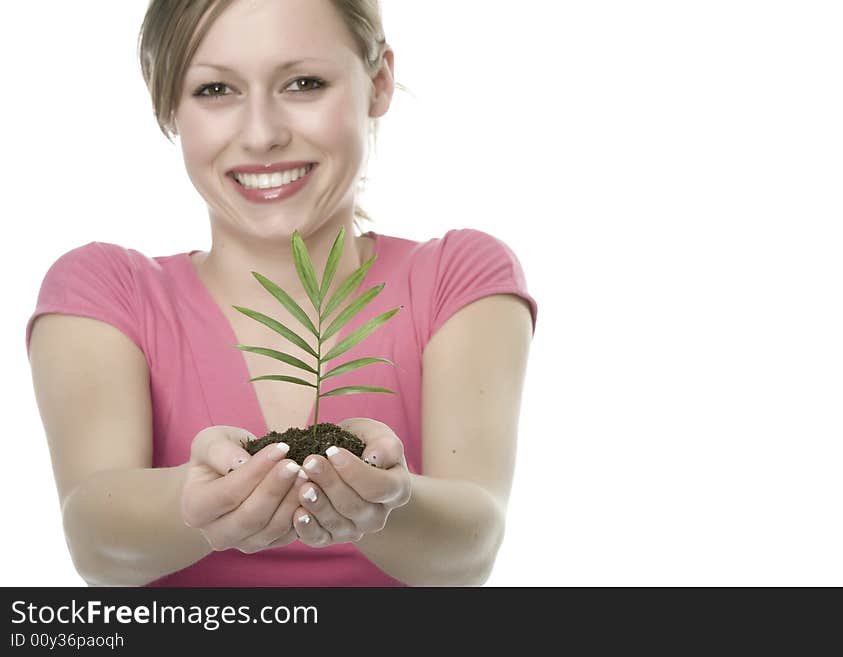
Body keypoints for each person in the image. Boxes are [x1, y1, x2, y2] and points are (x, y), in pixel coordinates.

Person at [25, 0, 537, 587]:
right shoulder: (106, 292)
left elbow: (471, 552)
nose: (262, 134)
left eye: (304, 83)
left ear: (378, 82)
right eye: (216, 89)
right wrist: (191, 507)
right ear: (169, 105)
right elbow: (95, 540)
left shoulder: (457, 277)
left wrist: (390, 503)